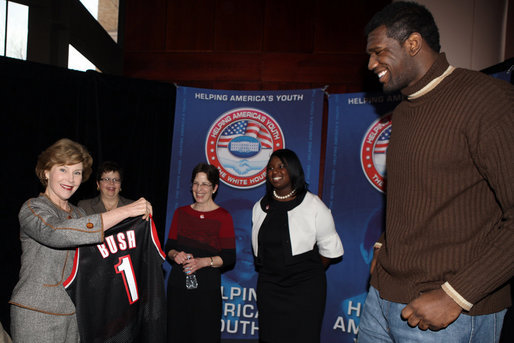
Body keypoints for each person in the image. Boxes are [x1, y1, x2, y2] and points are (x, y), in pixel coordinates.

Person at [358, 2, 514, 343]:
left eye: (379, 52)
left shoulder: (489, 100)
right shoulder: (402, 112)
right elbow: (415, 197)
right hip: (381, 300)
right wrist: (384, 245)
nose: (371, 64)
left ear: (413, 44)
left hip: (446, 314)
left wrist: (457, 294)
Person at [9, 138, 153, 343]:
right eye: (63, 170)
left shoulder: (79, 214)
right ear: (47, 172)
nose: (70, 178)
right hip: (37, 312)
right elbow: (56, 233)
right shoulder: (33, 208)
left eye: (77, 172)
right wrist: (127, 210)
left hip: (76, 316)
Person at [251, 148, 344, 343]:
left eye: (281, 166)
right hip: (270, 287)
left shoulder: (313, 204)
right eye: (270, 168)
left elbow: (329, 250)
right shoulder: (259, 206)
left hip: (305, 289)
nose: (275, 172)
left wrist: (306, 272)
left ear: (293, 169)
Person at [165, 162, 236, 343]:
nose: (199, 189)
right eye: (196, 183)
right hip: (178, 288)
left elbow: (229, 257)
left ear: (215, 188)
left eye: (205, 184)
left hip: (206, 292)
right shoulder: (181, 213)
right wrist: (175, 255)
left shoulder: (224, 217)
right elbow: (169, 246)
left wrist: (203, 262)